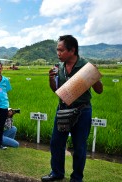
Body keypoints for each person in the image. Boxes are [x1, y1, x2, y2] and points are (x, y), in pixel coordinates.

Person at [41, 35, 103, 182]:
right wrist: (50, 79)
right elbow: (57, 89)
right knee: (56, 142)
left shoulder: (85, 66)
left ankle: (76, 178)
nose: (58, 53)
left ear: (72, 50)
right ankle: (57, 173)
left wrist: (95, 77)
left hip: (82, 111)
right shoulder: (59, 67)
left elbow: (99, 90)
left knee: (79, 146)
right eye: (57, 50)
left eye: (61, 50)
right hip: (62, 109)